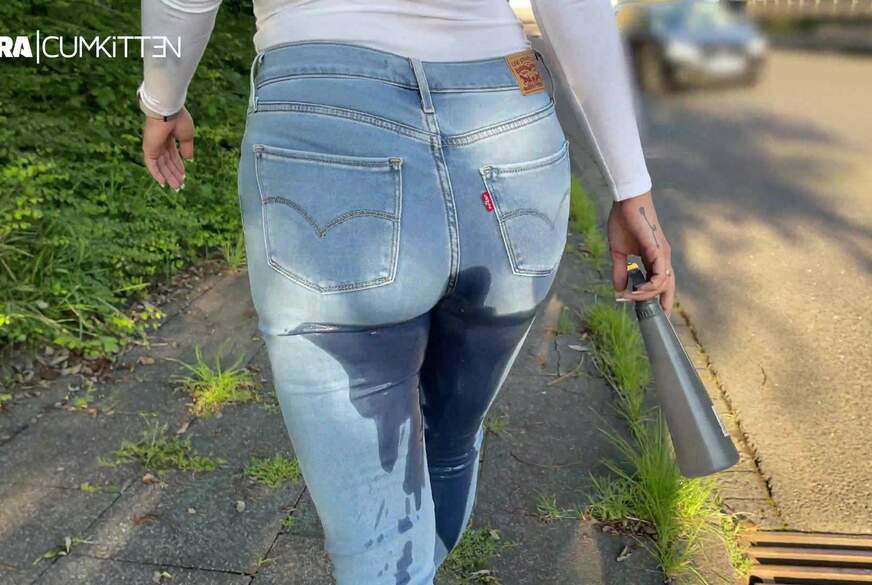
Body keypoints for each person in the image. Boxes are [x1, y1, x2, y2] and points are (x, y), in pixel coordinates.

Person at [136, 1, 675, 583]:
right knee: (452, 439)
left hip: (326, 126)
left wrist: (161, 99)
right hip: (509, 129)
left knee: (377, 538)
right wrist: (631, 187)